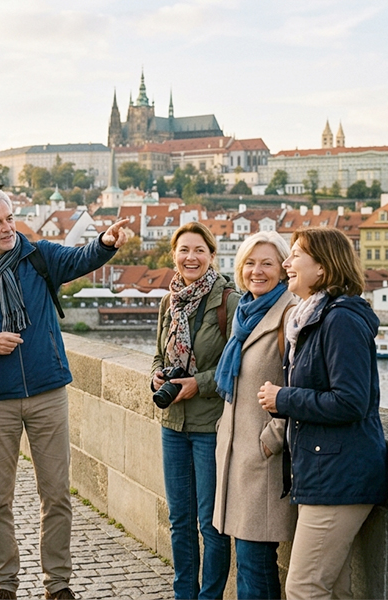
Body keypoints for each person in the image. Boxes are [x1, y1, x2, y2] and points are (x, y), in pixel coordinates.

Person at [0, 189, 131, 600]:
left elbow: (83, 258)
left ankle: (58, 584)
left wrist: (105, 243)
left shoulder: (40, 256)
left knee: (56, 493)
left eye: (10, 218)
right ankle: (4, 584)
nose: (8, 227)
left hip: (47, 390)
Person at [257, 228, 385, 599]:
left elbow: (351, 401)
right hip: (323, 470)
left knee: (304, 588)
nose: (286, 263)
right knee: (334, 590)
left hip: (339, 475)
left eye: (296, 254)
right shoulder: (309, 317)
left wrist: (285, 399)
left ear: (324, 269)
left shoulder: (340, 320)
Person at [149, 222, 239, 599]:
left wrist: (195, 384)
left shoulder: (229, 302)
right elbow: (158, 351)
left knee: (211, 523)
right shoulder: (169, 302)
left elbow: (237, 367)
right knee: (179, 520)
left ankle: (210, 596)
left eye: (199, 250)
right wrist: (156, 374)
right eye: (184, 250)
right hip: (173, 424)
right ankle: (184, 593)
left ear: (212, 255)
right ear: (174, 256)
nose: (191, 257)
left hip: (209, 425)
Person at [211, 232, 298, 600]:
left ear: (283, 267)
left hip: (263, 460)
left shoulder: (290, 314)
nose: (256, 271)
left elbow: (301, 382)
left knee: (255, 563)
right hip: (236, 453)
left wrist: (271, 438)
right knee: (247, 562)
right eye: (250, 262)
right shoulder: (245, 312)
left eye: (266, 263)